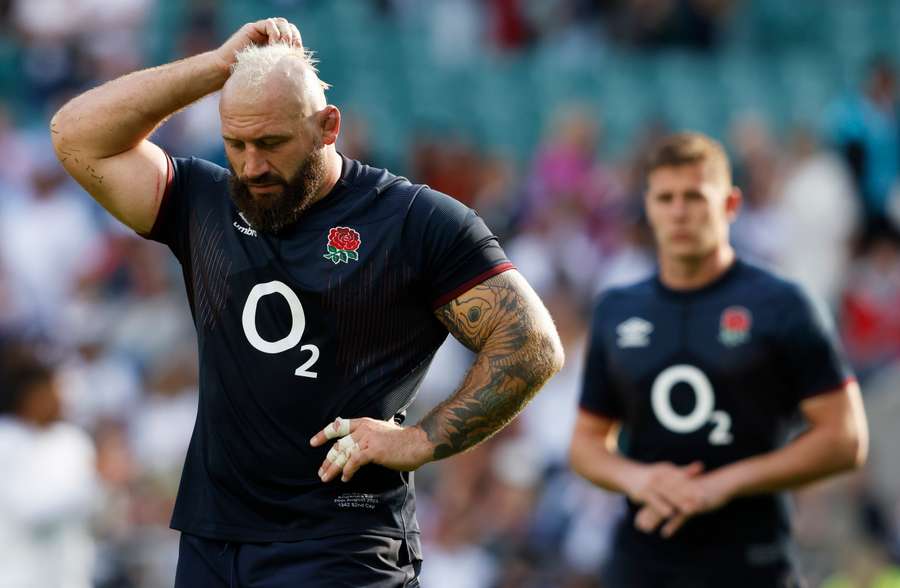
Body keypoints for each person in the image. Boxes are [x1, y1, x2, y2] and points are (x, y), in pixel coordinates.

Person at [50, 17, 563, 587]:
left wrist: (419, 440)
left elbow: (532, 345)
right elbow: (74, 134)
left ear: (327, 126)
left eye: (271, 143)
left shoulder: (415, 221)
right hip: (214, 539)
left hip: (341, 545)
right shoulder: (205, 203)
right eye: (236, 143)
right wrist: (216, 68)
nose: (251, 166)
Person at [569, 132, 868, 588]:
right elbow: (587, 443)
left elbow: (846, 439)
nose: (679, 211)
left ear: (730, 204)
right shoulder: (616, 308)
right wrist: (638, 479)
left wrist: (722, 484)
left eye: (694, 196)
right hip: (642, 559)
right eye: (666, 198)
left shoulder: (783, 304)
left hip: (753, 560)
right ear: (648, 207)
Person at [0, 345, 99, 588]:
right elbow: (30, 508)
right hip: (16, 574)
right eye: (49, 390)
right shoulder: (6, 440)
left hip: (68, 574)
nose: (57, 398)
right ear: (27, 396)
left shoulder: (70, 439)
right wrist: (94, 483)